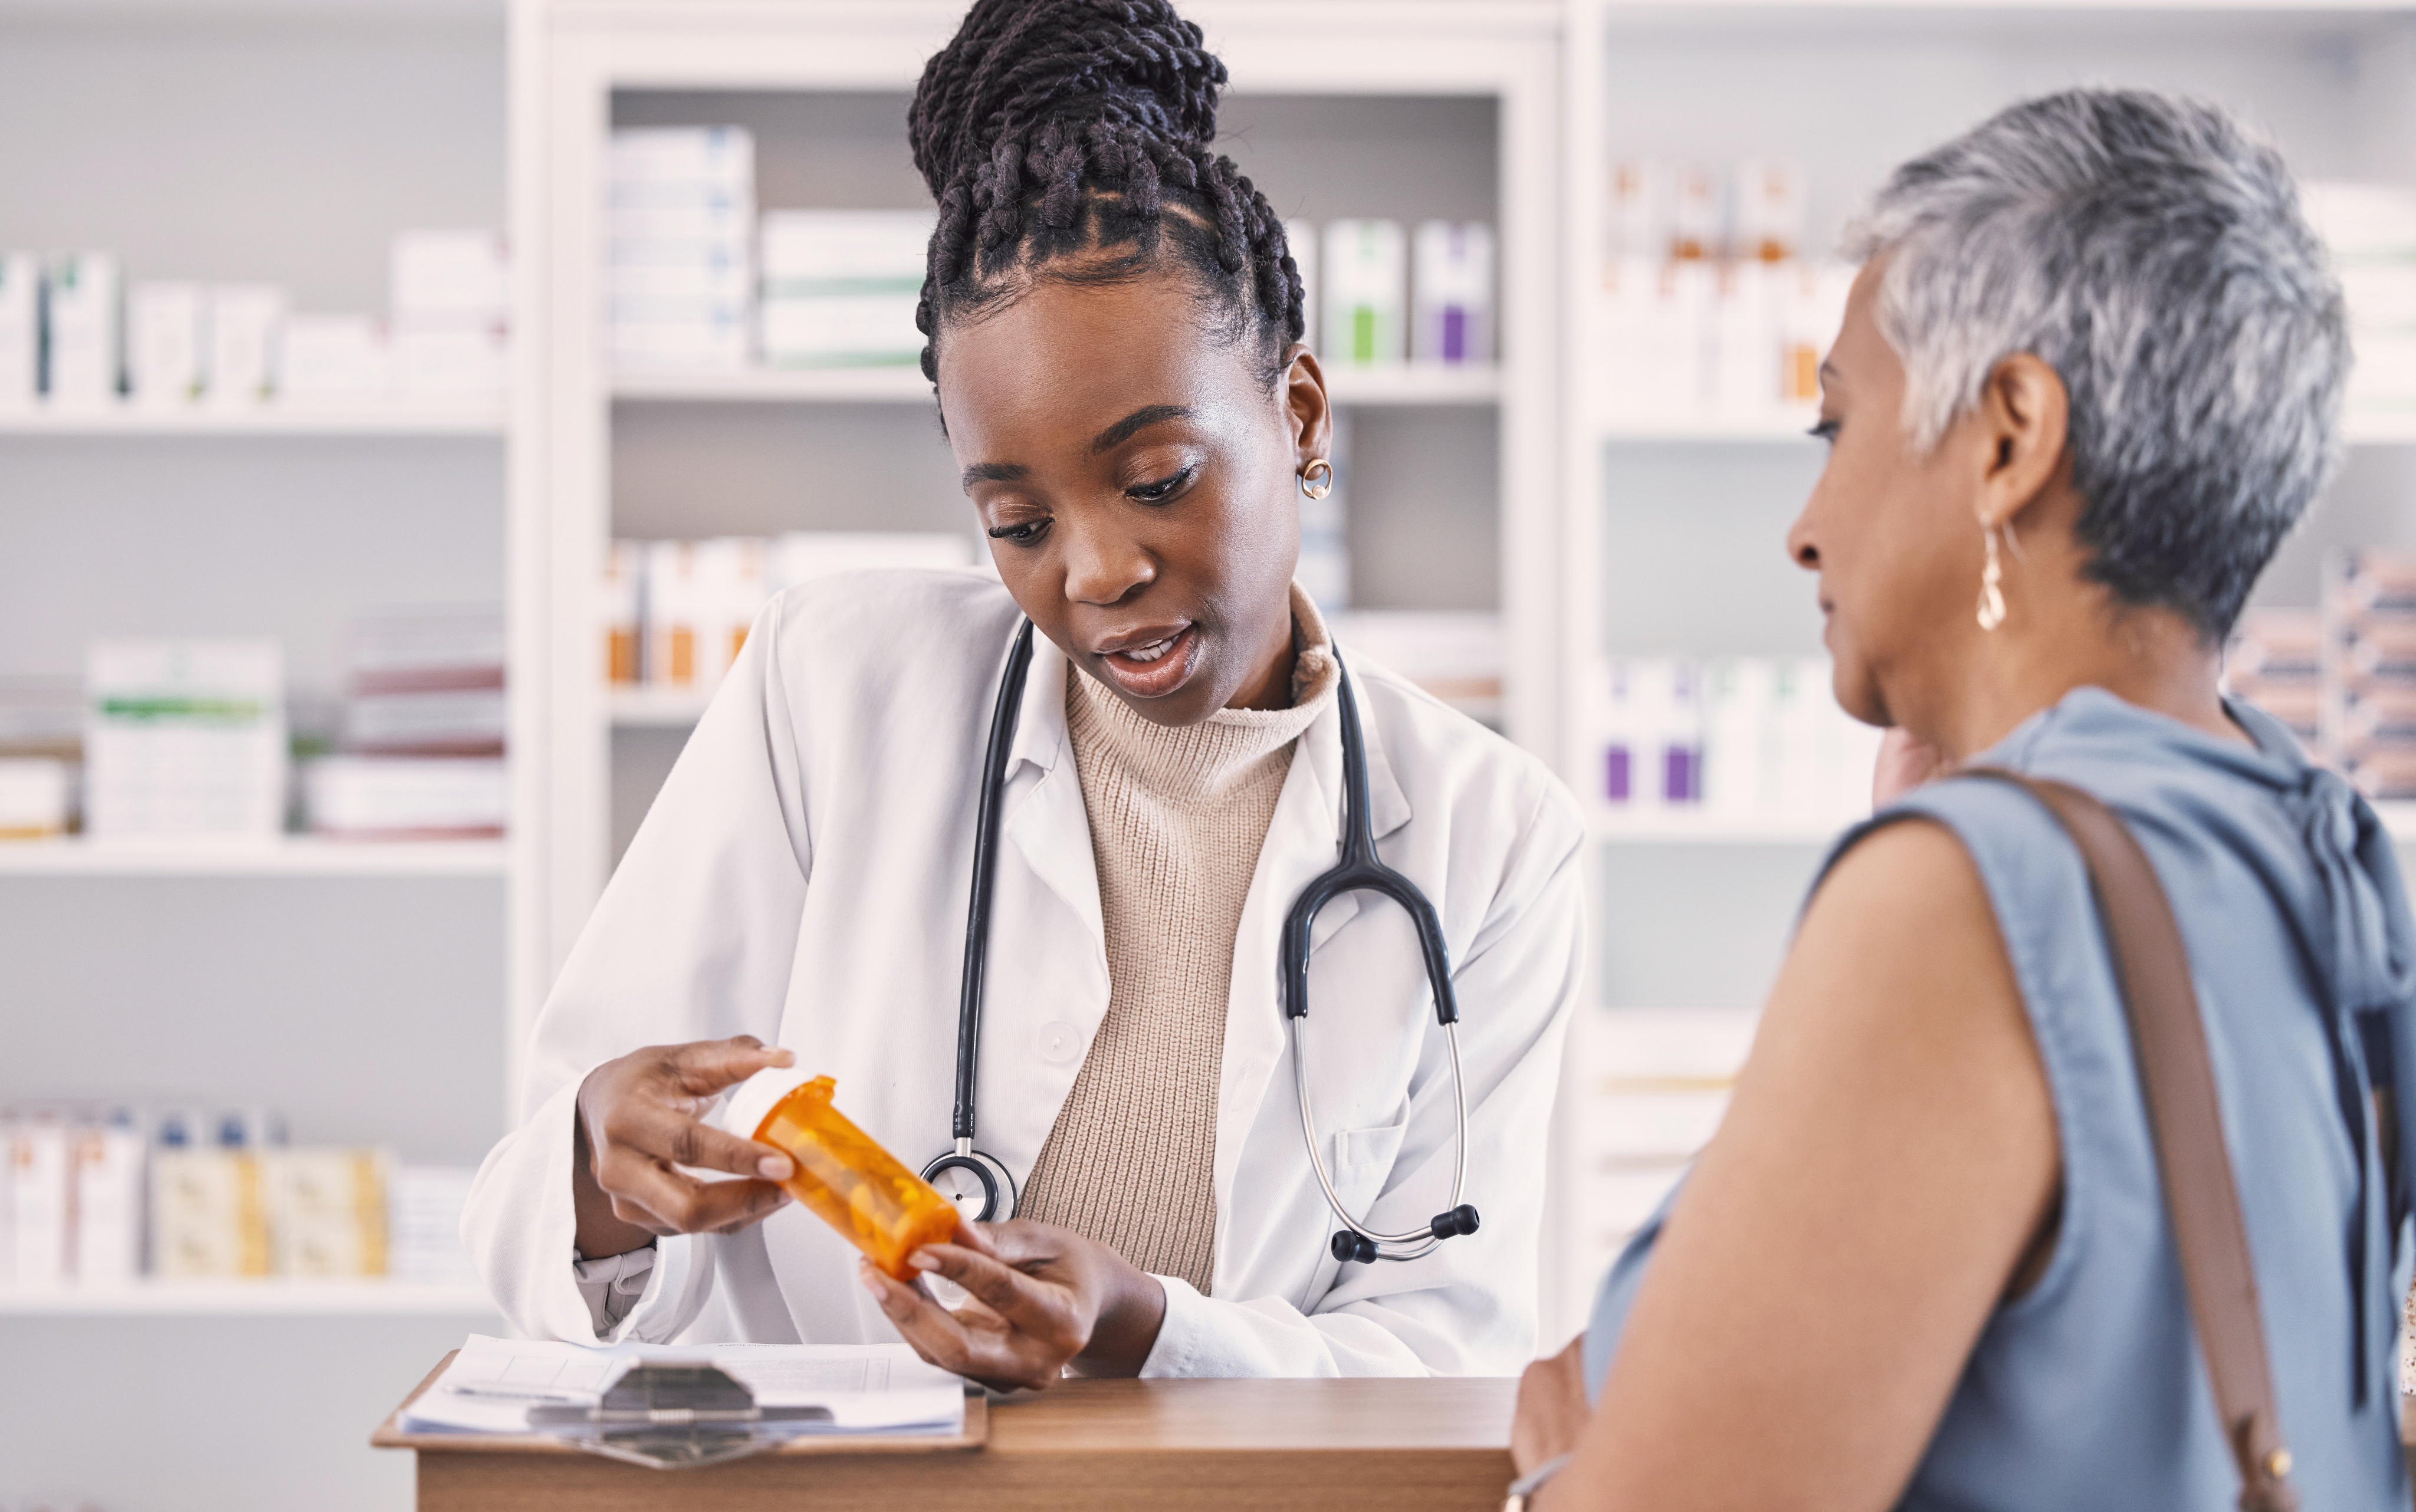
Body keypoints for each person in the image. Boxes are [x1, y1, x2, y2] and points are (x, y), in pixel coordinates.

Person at [462, 0, 1581, 1389]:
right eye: (1018, 520)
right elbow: (538, 1204)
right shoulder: (835, 682)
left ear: (1296, 413)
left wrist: (1151, 1333)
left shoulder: (1489, 833)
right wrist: (599, 1161)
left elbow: (1451, 1347)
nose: (1096, 571)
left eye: (1157, 479)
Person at [1508, 88, 2414, 1509]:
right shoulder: (2315, 845)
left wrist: (1566, 1466)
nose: (1802, 527)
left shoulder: (1973, 899)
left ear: (2006, 437)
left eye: (1836, 423)